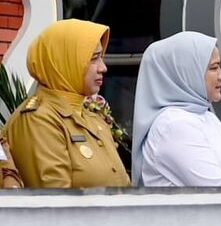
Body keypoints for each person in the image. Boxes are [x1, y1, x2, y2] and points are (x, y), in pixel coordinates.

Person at [1, 19, 130, 189]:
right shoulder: (39, 119)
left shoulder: (92, 118)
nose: (103, 67)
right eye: (94, 58)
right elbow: (58, 204)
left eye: (101, 57)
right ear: (63, 61)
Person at [132, 32, 221, 187]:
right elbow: (220, 190)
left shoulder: (207, 117)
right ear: (186, 72)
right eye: (213, 68)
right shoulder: (173, 125)